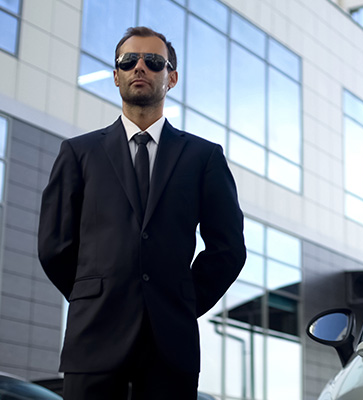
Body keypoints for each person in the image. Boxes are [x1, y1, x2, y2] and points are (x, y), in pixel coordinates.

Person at [37, 26, 246, 400]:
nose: (140, 68)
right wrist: (94, 295)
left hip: (171, 343)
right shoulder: (78, 153)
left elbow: (228, 248)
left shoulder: (204, 158)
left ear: (171, 77)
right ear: (116, 75)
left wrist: (185, 300)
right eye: (129, 61)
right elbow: (54, 244)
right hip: (93, 339)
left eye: (153, 61)